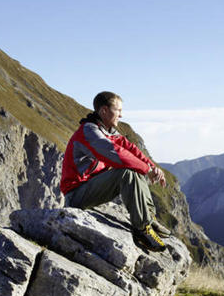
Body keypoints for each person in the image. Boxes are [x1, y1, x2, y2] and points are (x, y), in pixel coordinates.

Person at [60, 91, 170, 252]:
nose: (121, 115)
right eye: (118, 110)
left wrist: (151, 167)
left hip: (91, 188)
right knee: (127, 172)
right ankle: (142, 228)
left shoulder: (108, 131)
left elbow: (131, 150)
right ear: (104, 110)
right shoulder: (89, 132)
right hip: (76, 195)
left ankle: (148, 216)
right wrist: (147, 170)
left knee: (135, 167)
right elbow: (115, 153)